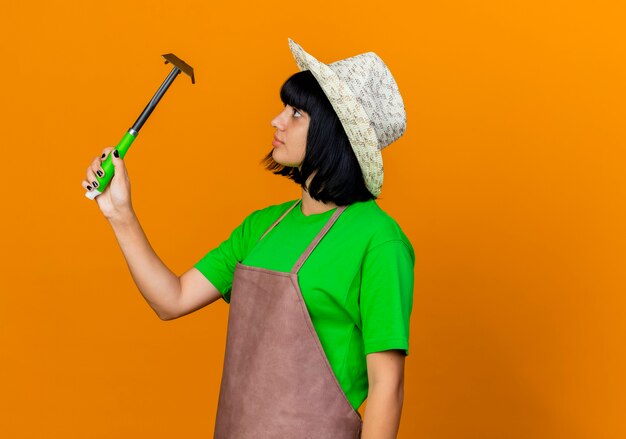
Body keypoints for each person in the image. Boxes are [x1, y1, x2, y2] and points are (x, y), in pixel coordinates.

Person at [82, 38, 414, 439]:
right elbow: (172, 299)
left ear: (334, 132)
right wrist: (120, 212)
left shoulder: (378, 239)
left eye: (295, 113)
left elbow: (386, 387)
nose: (277, 121)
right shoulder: (261, 227)